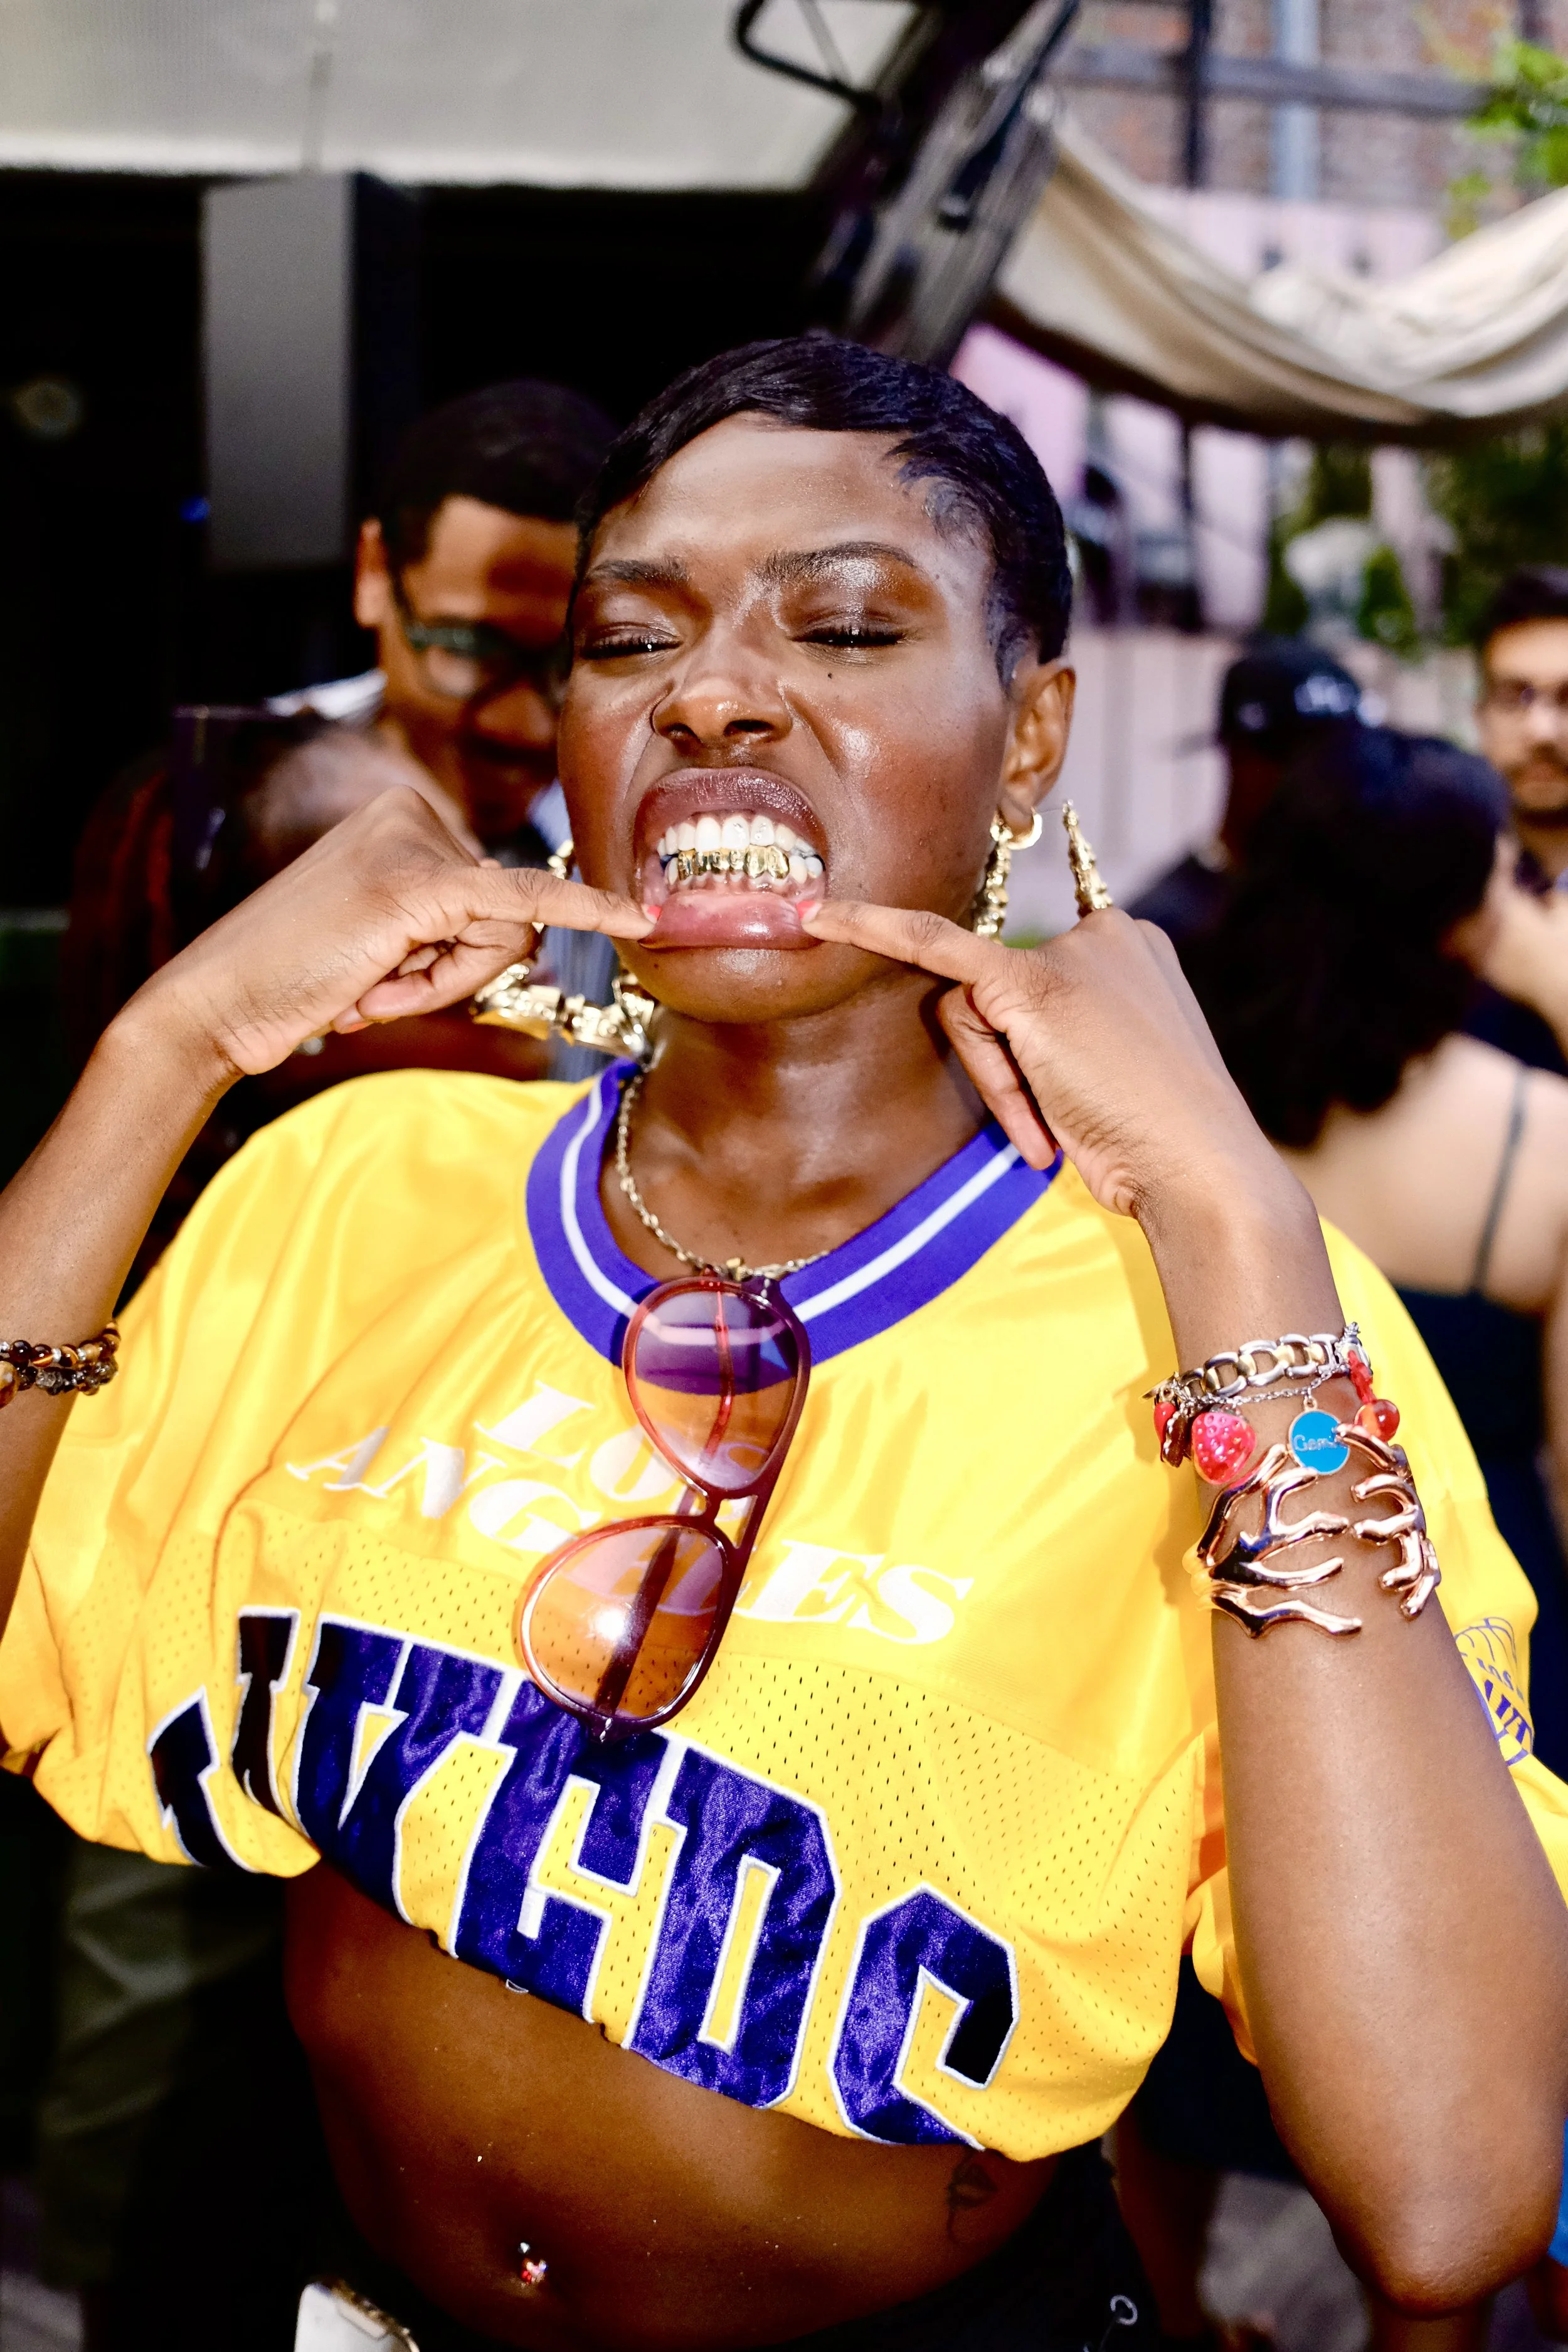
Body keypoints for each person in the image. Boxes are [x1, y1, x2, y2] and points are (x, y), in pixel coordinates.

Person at [3, 337, 1567, 2352]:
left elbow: (1446, 2192)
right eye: (627, 635)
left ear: (1027, 741)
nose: (713, 691)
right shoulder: (360, 1185)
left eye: (839, 623)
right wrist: (168, 1047)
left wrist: (1239, 1222)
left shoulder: (1217, 1322)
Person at [30, 381, 617, 2352]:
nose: (513, 704)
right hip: (182, 1471)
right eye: (467, 639)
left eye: (560, 657)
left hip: (461, 1522)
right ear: (376, 578)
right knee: (156, 1960)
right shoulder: (221, 794)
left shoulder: (612, 854)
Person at [1130, 727, 1568, 2352]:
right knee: (1441, 2070)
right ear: (1460, 910)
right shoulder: (1536, 1138)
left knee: (1166, 2039)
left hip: (1199, 1614)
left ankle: (1175, 2319)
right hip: (1455, 1629)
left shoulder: (1176, 1125)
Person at [1128, 638, 1364, 954]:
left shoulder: (1360, 913)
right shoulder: (1161, 934)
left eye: (1344, 756)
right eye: (1293, 755)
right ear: (1236, 757)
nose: (1322, 777)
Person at [1467, 567, 1568, 1083]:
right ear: (1479, 715)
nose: (1542, 730)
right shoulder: (1429, 891)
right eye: (1515, 696)